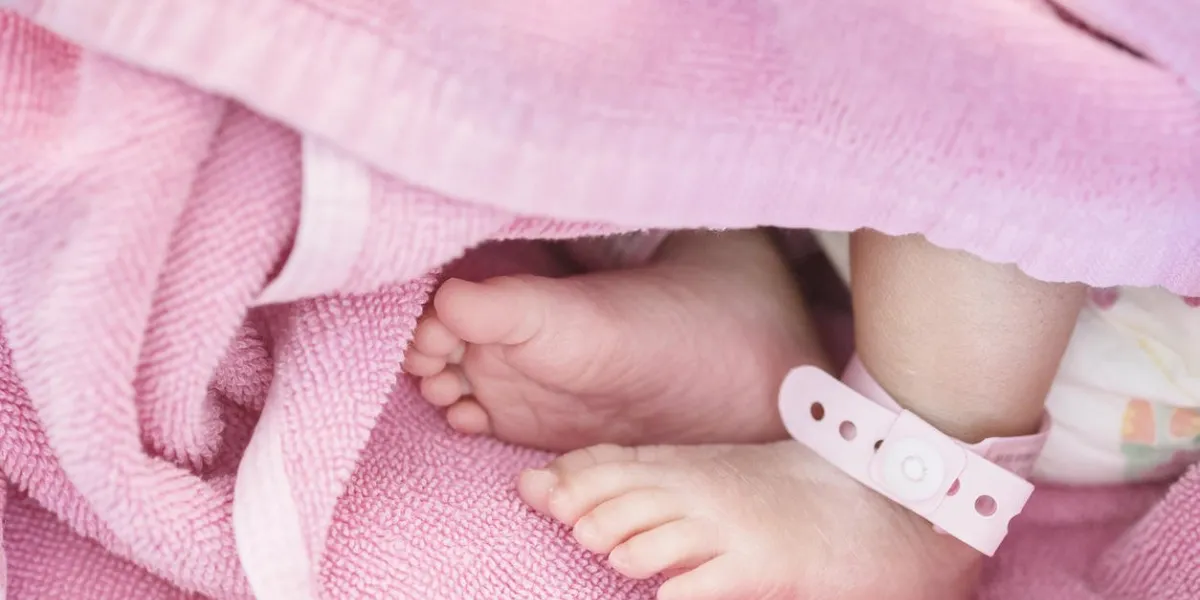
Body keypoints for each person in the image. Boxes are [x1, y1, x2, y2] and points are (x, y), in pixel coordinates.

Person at [403, 227, 1199, 599]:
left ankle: (898, 489)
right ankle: (730, 270)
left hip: (1039, 287)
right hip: (838, 200)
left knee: (1025, 75)